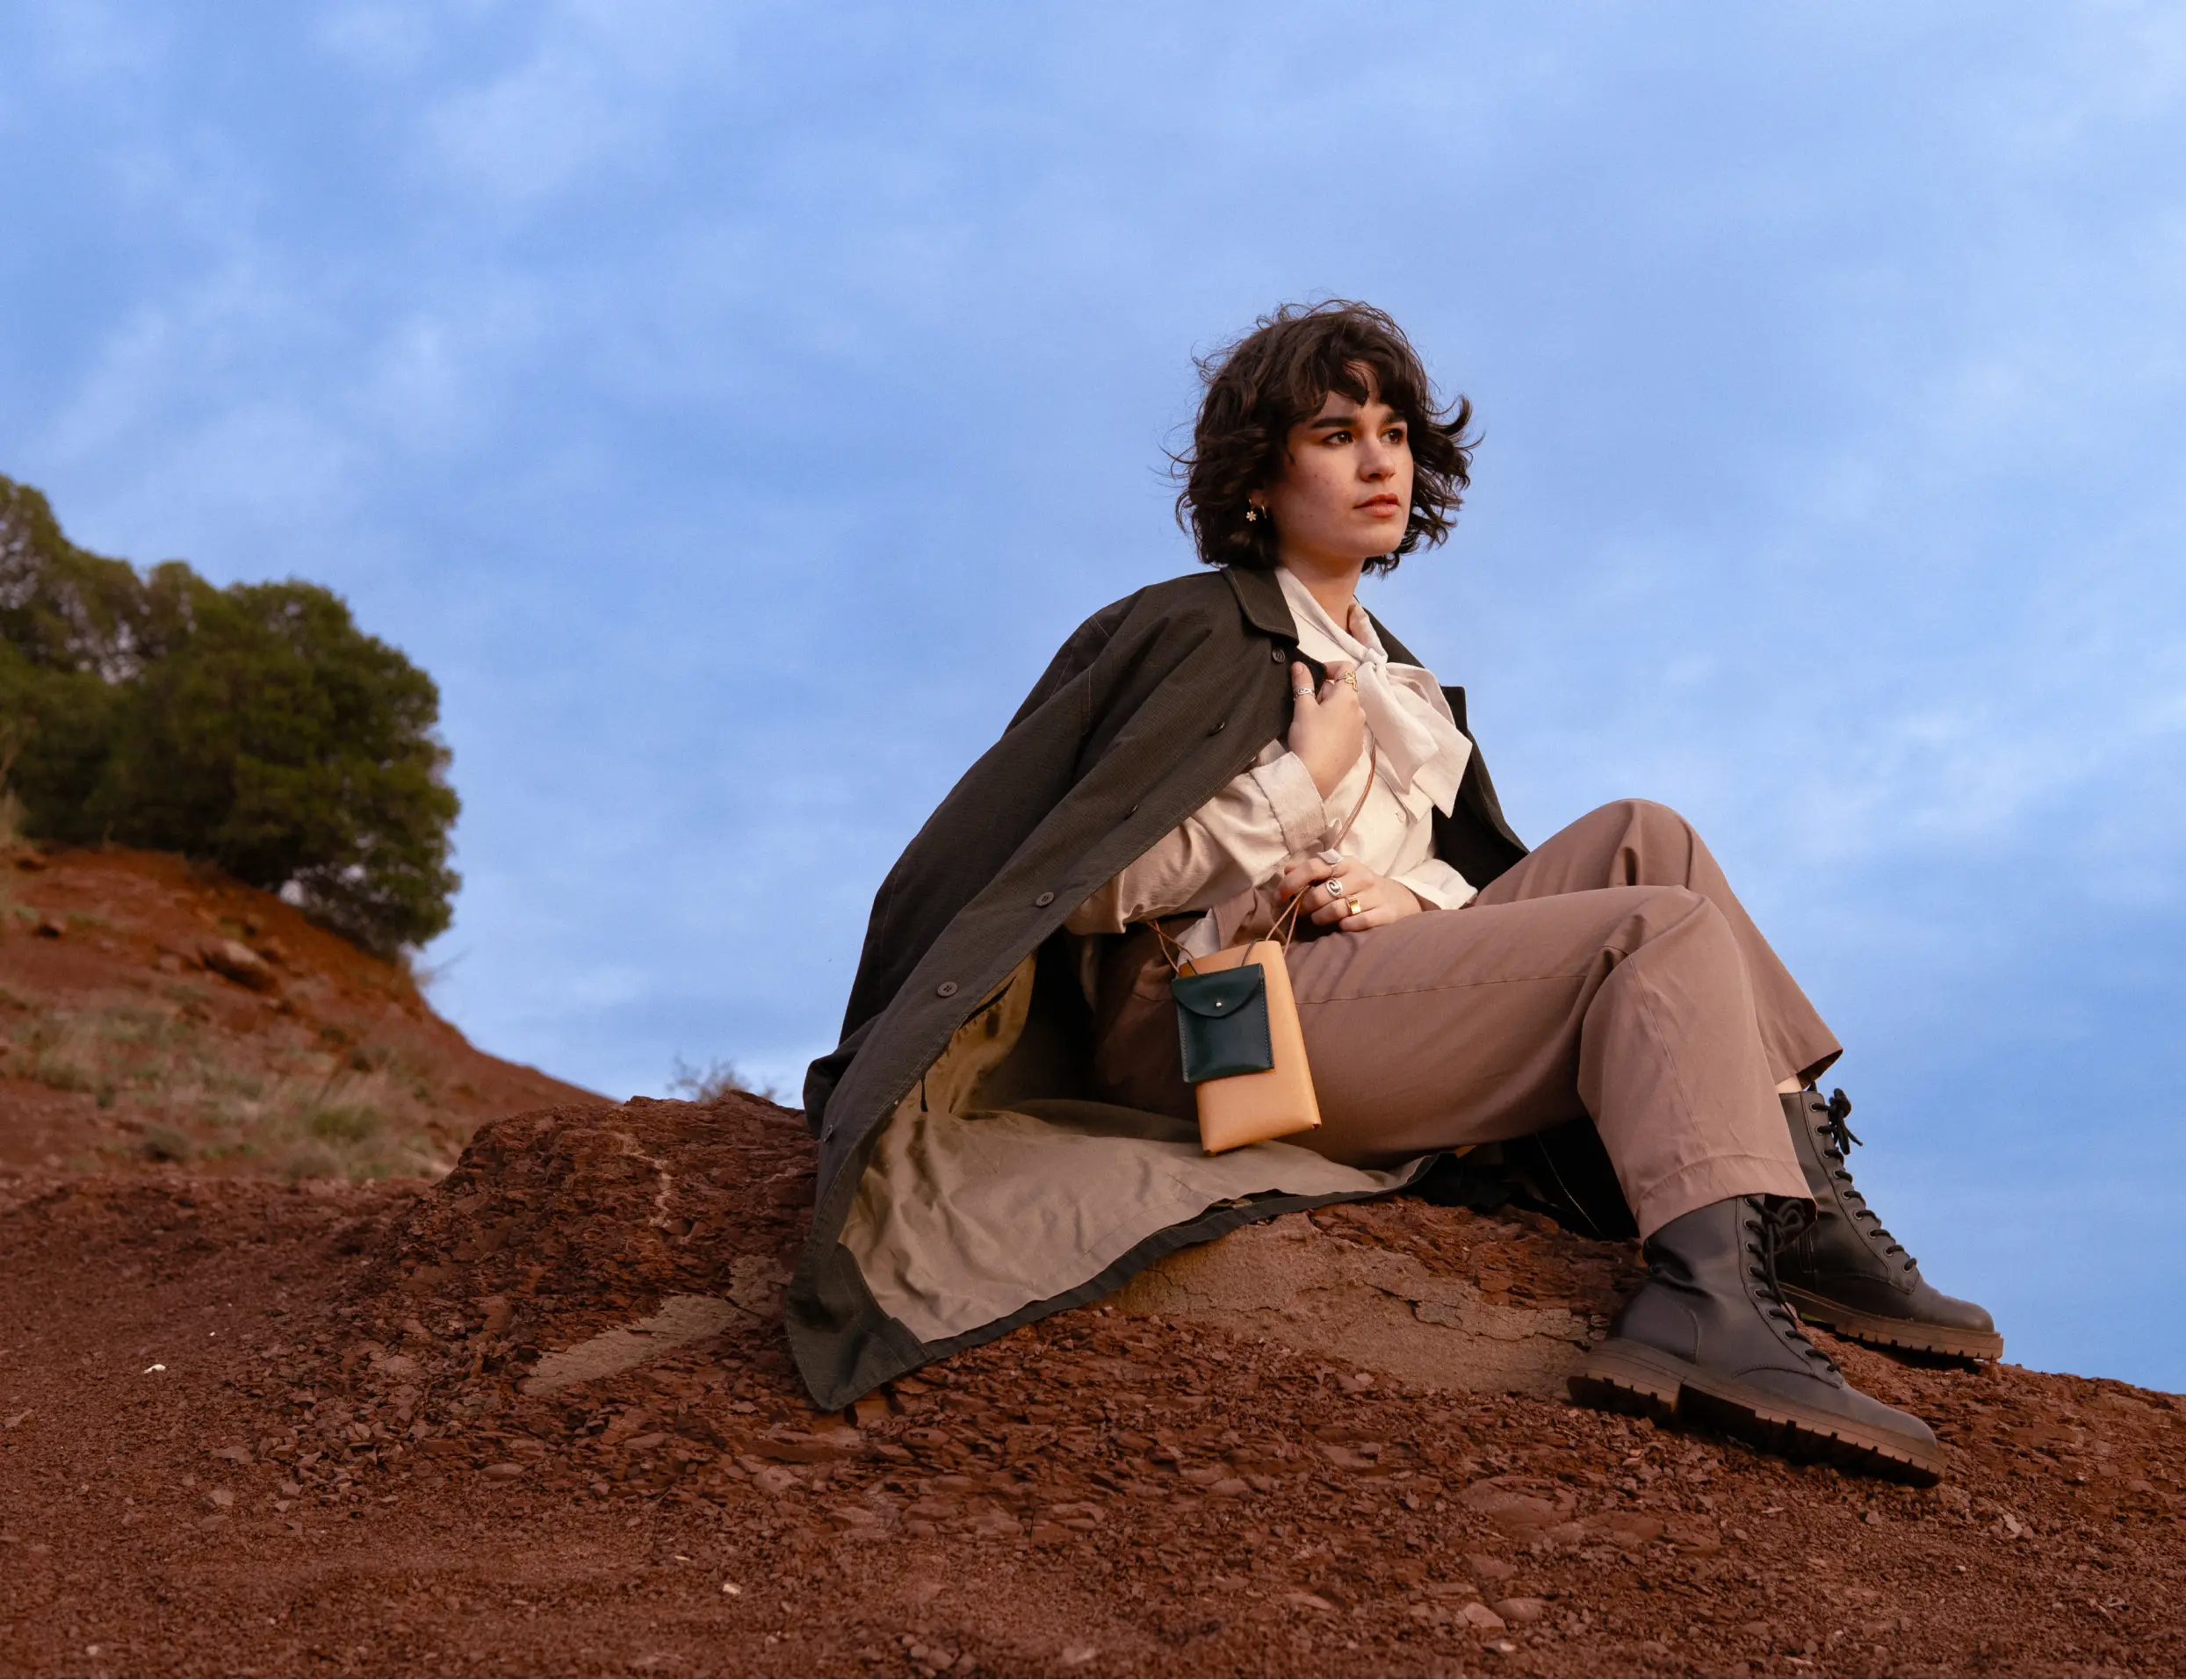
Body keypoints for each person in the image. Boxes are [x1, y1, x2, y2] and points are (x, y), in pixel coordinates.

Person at [790, 300, 1996, 1484]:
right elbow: (1081, 890)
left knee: (1648, 838)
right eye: (1334, 436)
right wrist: (1292, 791)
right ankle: (1705, 1310)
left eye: (1397, 435)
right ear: (1256, 478)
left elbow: (1453, 882)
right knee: (1657, 931)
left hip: (1349, 989)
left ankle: (1800, 1218)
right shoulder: (1186, 630)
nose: (1381, 463)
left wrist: (1410, 905)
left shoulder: (1397, 676)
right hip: (1206, 1026)